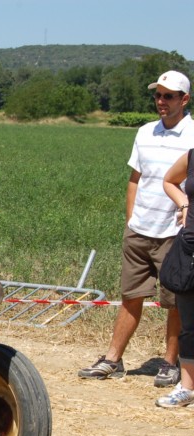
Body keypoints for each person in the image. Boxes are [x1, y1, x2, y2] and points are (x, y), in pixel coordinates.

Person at [79, 70, 194, 386]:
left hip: (175, 234)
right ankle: (113, 360)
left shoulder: (193, 135)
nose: (161, 101)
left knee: (175, 303)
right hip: (140, 230)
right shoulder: (144, 133)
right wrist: (131, 219)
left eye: (168, 95)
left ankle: (170, 363)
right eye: (157, 94)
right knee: (131, 296)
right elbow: (135, 179)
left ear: (185, 99)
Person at [159, 148, 194, 406]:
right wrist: (184, 204)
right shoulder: (192, 157)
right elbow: (169, 180)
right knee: (189, 325)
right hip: (189, 251)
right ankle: (187, 388)